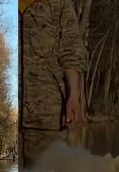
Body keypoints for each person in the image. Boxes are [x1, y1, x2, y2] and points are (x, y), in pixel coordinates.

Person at [20, 0, 87, 163]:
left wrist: (73, 96)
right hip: (11, 121)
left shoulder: (60, 5)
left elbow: (71, 53)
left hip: (47, 118)